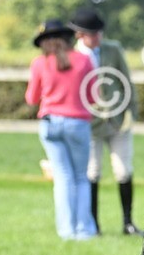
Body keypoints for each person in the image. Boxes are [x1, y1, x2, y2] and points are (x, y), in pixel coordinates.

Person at [68, 6, 141, 236]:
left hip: (117, 120)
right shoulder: (72, 57)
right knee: (92, 171)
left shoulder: (113, 49)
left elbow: (126, 81)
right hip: (89, 124)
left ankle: (128, 222)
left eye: (100, 33)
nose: (99, 37)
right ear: (80, 35)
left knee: (123, 170)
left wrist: (131, 112)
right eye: (93, 34)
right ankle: (94, 224)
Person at [26, 19, 98, 240]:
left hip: (50, 123)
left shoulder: (39, 63)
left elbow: (31, 98)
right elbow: (93, 96)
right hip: (77, 123)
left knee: (63, 178)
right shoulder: (84, 60)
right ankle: (83, 230)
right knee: (80, 177)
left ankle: (66, 230)